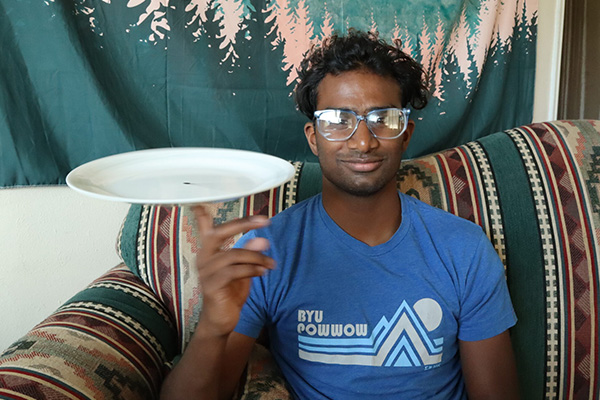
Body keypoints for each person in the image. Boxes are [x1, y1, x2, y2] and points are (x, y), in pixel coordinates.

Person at [160, 30, 519, 399]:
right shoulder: (267, 252)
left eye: (384, 119)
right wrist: (212, 329)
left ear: (406, 134)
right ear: (314, 137)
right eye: (337, 120)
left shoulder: (465, 250)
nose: (363, 142)